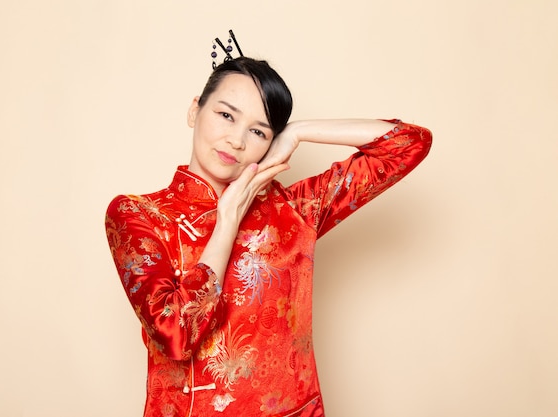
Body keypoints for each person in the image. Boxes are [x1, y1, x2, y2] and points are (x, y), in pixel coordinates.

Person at [105, 33, 432, 417]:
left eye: (258, 131)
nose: (237, 139)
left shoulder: (295, 210)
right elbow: (176, 334)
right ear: (195, 110)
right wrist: (228, 220)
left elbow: (409, 143)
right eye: (226, 115)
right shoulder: (138, 215)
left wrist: (298, 131)